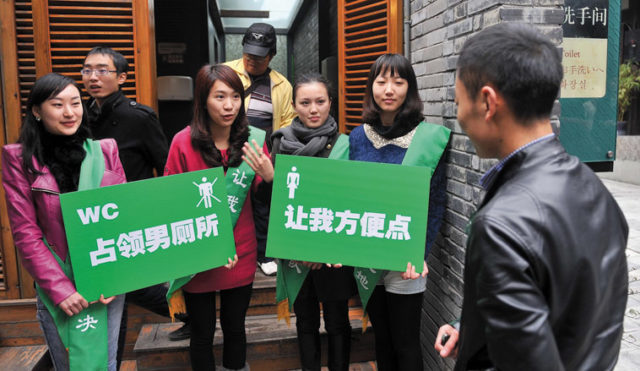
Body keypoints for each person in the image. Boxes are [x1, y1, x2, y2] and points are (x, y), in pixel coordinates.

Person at [434, 23, 629, 370]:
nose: (459, 115)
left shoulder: (501, 226)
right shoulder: (595, 188)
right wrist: (477, 329)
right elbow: (575, 311)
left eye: (458, 100)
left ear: (488, 102)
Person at [1, 73, 126, 370]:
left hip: (105, 283)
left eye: (75, 103)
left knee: (106, 365)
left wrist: (115, 277)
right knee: (72, 365)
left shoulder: (105, 151)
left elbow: (123, 217)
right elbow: (26, 233)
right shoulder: (19, 159)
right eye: (58, 105)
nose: (70, 112)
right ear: (36, 111)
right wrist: (61, 290)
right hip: (60, 286)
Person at [164, 64, 274, 371]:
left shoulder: (253, 139)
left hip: (240, 252)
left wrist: (269, 178)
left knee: (235, 327)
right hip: (198, 254)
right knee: (201, 332)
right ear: (203, 100)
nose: (229, 106)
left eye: (236, 97)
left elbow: (264, 203)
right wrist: (208, 248)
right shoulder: (182, 142)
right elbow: (173, 204)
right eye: (220, 97)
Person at [81, 46, 189, 346]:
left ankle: (192, 315)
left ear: (122, 77)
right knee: (113, 289)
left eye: (102, 70)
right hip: (93, 216)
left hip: (131, 214)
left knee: (132, 286)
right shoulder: (79, 115)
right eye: (87, 70)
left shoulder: (139, 117)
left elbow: (164, 164)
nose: (93, 77)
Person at [349, 54, 450, 370]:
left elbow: (434, 204)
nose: (388, 89)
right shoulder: (356, 137)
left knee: (406, 344)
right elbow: (351, 197)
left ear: (410, 88)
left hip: (406, 259)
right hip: (368, 253)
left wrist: (419, 252)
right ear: (371, 88)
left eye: (398, 81)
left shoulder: (427, 138)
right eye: (381, 81)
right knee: (382, 339)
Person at [265, 73, 356, 370]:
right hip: (295, 251)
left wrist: (323, 248)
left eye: (320, 101)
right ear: (293, 105)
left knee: (337, 322)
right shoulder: (279, 143)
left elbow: (349, 202)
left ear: (331, 102)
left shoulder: (346, 145)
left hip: (334, 252)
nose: (313, 109)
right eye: (305, 103)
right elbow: (274, 201)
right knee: (305, 322)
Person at [224, 22, 297, 276]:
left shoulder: (282, 85)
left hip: (261, 153)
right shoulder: (226, 72)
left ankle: (264, 254)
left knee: (262, 204)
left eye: (259, 55)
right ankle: (224, 249)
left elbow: (287, 124)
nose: (252, 59)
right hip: (228, 150)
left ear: (272, 55)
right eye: (248, 53)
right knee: (228, 200)